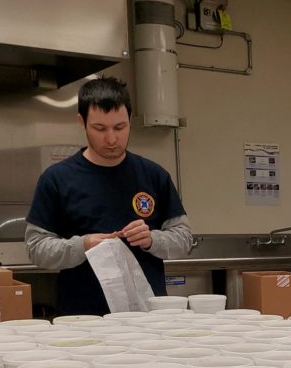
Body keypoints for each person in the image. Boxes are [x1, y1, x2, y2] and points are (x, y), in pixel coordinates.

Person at [25, 77, 193, 315]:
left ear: (130, 122)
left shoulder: (154, 176)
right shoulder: (57, 179)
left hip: (147, 318)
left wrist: (151, 240)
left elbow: (184, 239)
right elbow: (36, 248)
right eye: (100, 129)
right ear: (82, 122)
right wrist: (82, 245)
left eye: (119, 127)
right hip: (82, 319)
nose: (112, 139)